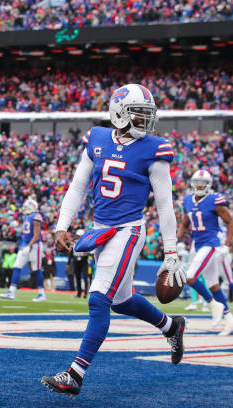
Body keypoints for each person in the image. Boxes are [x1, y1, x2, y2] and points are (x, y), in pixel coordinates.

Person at [41, 84, 186, 397]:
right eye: (137, 112)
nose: (144, 120)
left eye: (147, 113)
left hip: (128, 230)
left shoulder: (155, 148)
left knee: (98, 299)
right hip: (99, 230)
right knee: (120, 301)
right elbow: (78, 186)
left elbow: (165, 205)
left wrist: (171, 252)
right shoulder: (97, 138)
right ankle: (171, 326)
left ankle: (75, 374)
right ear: (118, 111)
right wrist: (61, 225)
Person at [178, 170, 233, 336]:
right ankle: (230, 320)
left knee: (189, 276)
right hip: (198, 244)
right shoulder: (188, 200)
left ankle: (213, 304)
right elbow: (185, 223)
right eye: (197, 181)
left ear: (209, 185)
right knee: (213, 285)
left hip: (211, 244)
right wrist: (174, 240)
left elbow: (231, 222)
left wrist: (226, 245)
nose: (199, 185)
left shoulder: (215, 200)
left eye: (203, 182)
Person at [0, 198, 46, 301]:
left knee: (36, 269)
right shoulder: (26, 216)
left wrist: (29, 246)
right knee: (17, 266)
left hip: (35, 246)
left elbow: (37, 235)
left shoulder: (36, 216)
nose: (24, 208)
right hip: (25, 245)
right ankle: (11, 291)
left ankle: (42, 294)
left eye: (26, 206)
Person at [68, 229, 90, 298]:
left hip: (84, 261)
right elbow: (71, 253)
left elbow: (89, 252)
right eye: (78, 236)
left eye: (80, 236)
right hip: (76, 261)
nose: (79, 237)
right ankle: (79, 293)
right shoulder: (73, 243)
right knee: (77, 277)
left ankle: (86, 293)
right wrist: (68, 263)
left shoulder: (86, 242)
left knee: (85, 277)